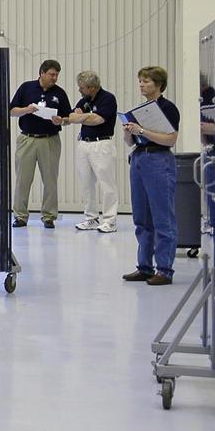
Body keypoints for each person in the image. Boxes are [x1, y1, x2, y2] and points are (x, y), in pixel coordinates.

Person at [122, 65, 181, 286]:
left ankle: (164, 269)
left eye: (146, 81)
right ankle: (144, 266)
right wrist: (128, 133)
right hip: (139, 158)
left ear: (158, 84)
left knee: (162, 217)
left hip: (159, 160)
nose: (141, 84)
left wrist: (143, 131)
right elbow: (131, 141)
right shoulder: (140, 110)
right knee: (141, 217)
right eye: (140, 81)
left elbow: (170, 139)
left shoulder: (168, 109)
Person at [9, 59, 71, 229]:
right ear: (42, 73)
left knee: (50, 179)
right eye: (51, 74)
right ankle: (20, 216)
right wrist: (27, 110)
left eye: (57, 75)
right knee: (23, 179)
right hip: (27, 139)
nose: (54, 78)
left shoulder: (60, 93)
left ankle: (49, 216)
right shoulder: (26, 88)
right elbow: (12, 111)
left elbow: (68, 118)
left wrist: (62, 121)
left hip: (50, 140)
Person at [67, 70, 119, 233]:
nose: (79, 90)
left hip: (101, 144)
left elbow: (98, 120)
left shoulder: (108, 99)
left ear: (91, 87)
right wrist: (86, 117)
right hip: (84, 144)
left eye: (81, 87)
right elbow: (71, 116)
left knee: (106, 182)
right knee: (86, 182)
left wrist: (84, 117)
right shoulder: (85, 100)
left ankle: (110, 220)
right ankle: (91, 217)